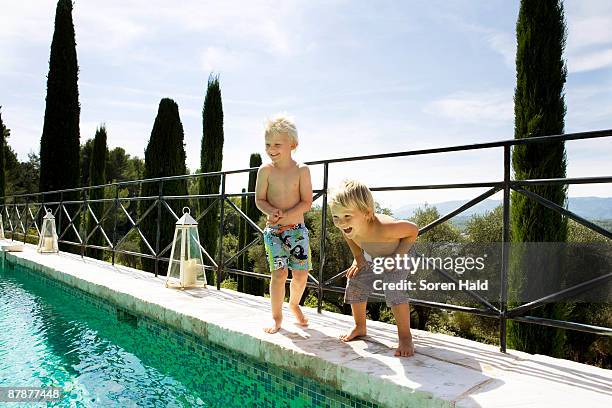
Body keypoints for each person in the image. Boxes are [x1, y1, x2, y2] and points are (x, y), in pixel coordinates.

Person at [329, 180, 419, 357]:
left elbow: (413, 231)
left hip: (401, 252)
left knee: (393, 288)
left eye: (347, 216)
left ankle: (405, 336)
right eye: (336, 217)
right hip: (374, 255)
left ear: (367, 213)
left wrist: (397, 257)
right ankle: (359, 326)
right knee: (354, 280)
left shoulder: (384, 228)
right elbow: (349, 238)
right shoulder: (346, 226)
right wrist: (358, 259)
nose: (340, 223)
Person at [255, 114, 313, 334]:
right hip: (274, 232)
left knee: (300, 274)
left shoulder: (302, 171)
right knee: (279, 275)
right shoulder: (265, 171)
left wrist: (288, 215)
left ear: (293, 145)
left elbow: (306, 202)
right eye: (268, 144)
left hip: (297, 232)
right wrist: (271, 211)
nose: (271, 149)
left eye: (277, 144)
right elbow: (259, 200)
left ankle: (294, 304)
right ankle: (277, 318)